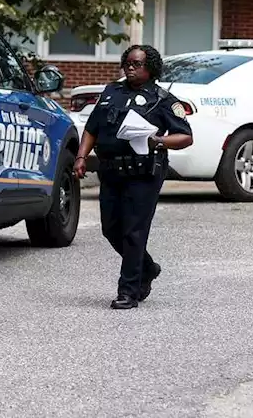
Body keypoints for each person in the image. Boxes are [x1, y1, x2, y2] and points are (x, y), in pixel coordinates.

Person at [73, 45, 193, 309]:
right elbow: (92, 128)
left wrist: (158, 141)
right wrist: (81, 157)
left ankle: (128, 291)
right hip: (111, 170)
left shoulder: (163, 99)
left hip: (144, 172)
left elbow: (185, 136)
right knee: (110, 228)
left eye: (137, 64)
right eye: (127, 62)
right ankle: (147, 268)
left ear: (150, 68)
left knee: (134, 232)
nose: (130, 67)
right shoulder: (111, 92)